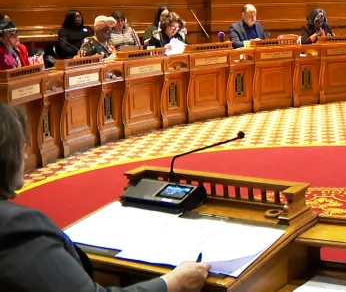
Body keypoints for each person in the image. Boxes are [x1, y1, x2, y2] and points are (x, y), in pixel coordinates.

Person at [0, 103, 211, 291]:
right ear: (7, 156)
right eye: (21, 147)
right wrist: (174, 282)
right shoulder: (16, 227)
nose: (25, 156)